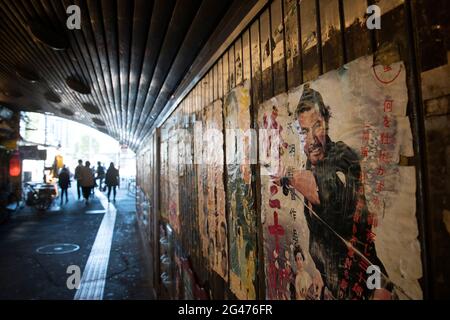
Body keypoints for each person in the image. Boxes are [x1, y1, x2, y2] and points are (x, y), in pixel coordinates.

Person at [281, 85, 391, 300]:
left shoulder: (343, 157)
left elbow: (327, 194)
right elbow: (323, 232)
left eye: (317, 126)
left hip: (369, 288)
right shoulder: (312, 161)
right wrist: (321, 273)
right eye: (304, 131)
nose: (312, 140)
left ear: (327, 122)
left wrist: (288, 174)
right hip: (337, 287)